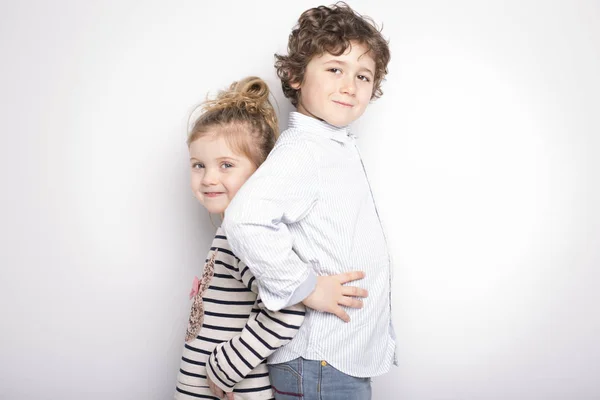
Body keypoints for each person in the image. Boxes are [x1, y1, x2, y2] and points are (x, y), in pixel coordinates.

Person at [222, 3, 395, 399]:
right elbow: (244, 219)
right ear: (297, 75)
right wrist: (306, 288)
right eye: (335, 68)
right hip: (319, 362)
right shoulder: (304, 150)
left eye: (362, 75)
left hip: (335, 359)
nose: (350, 85)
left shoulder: (330, 145)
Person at [175, 76, 305, 400]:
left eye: (226, 165)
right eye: (198, 165)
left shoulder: (243, 239)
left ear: (260, 172)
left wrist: (224, 368)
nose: (209, 178)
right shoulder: (229, 233)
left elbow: (287, 308)